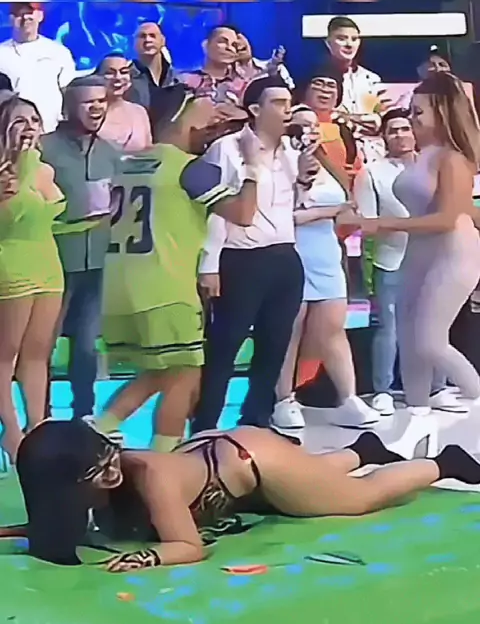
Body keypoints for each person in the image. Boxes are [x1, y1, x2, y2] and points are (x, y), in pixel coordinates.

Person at [11, 418, 480, 570]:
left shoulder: (149, 475)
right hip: (219, 467)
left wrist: (145, 558)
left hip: (250, 462)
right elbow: (55, 520)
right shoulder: (79, 492)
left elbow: (188, 545)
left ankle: (447, 461)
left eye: (110, 456)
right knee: (316, 479)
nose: (113, 472)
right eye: (99, 471)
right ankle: (363, 449)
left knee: (358, 498)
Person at [95, 82, 260, 453]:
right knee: (183, 375)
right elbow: (244, 213)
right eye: (205, 117)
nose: (211, 126)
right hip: (166, 286)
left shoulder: (129, 163)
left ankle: (109, 428)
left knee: (163, 371)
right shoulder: (189, 169)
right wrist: (252, 166)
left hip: (120, 286)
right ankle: (154, 453)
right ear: (183, 119)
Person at [340, 72, 480, 415]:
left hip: (453, 254)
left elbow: (447, 218)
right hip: (417, 254)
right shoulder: (424, 155)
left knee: (430, 340)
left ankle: (475, 392)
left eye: (418, 112)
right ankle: (418, 412)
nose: (412, 120)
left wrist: (380, 223)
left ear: (441, 113)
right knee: (408, 338)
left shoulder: (453, 159)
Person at [193, 75, 317, 433]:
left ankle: (256, 423)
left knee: (275, 344)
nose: (287, 109)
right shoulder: (227, 149)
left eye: (289, 102)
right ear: (255, 109)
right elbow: (217, 210)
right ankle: (205, 426)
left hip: (285, 255)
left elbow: (291, 206)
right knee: (225, 346)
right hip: (240, 258)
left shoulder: (291, 152)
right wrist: (209, 264)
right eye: (278, 103)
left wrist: (304, 179)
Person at [274, 105, 379, 430]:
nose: (309, 131)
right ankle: (283, 400)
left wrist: (345, 214)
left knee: (333, 329)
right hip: (293, 253)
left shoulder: (328, 163)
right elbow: (284, 215)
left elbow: (346, 208)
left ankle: (349, 399)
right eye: (301, 125)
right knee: (289, 331)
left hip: (327, 254)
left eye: (313, 125)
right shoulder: (279, 163)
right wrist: (328, 211)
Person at [354, 108, 464, 416]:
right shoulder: (372, 173)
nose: (400, 135)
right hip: (392, 259)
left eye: (405, 128)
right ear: (384, 137)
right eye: (393, 130)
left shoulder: (435, 165)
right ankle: (383, 390)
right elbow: (368, 222)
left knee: (434, 325)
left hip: (434, 258)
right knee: (390, 327)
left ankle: (437, 387)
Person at [40, 76, 123, 421]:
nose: (97, 107)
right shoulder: (43, 149)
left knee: (87, 346)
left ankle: (84, 416)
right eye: (89, 102)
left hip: (97, 262)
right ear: (69, 106)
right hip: (53, 263)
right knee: (41, 346)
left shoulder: (110, 152)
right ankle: (40, 416)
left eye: (102, 101)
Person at [0, 94, 66, 462]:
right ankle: (11, 430)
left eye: (33, 120)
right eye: (19, 121)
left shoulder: (45, 170)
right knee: (5, 355)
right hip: (12, 262)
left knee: (39, 354)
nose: (28, 127)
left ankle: (38, 427)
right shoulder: (5, 174)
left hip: (49, 263)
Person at [0, 3, 76, 133]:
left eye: (30, 13)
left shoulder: (59, 52)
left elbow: (68, 91)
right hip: (11, 131)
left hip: (51, 129)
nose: (25, 18)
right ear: (11, 19)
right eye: (19, 14)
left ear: (40, 16)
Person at [322, 15, 386, 162]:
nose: (349, 44)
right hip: (334, 152)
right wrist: (356, 120)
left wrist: (347, 118)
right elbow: (327, 119)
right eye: (342, 38)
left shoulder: (371, 79)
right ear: (328, 43)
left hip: (373, 154)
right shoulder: (320, 80)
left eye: (354, 39)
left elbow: (376, 123)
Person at [177, 25, 247, 105]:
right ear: (205, 45)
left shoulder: (243, 86)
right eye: (222, 41)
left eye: (234, 45)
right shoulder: (184, 80)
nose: (229, 48)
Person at [96, 53, 152, 152]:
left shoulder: (139, 112)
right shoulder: (89, 112)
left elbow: (149, 152)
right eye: (110, 73)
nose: (118, 77)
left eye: (124, 72)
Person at [125, 21, 176, 110]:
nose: (148, 40)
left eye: (153, 36)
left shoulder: (177, 78)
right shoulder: (125, 78)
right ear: (133, 43)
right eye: (142, 36)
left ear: (163, 41)